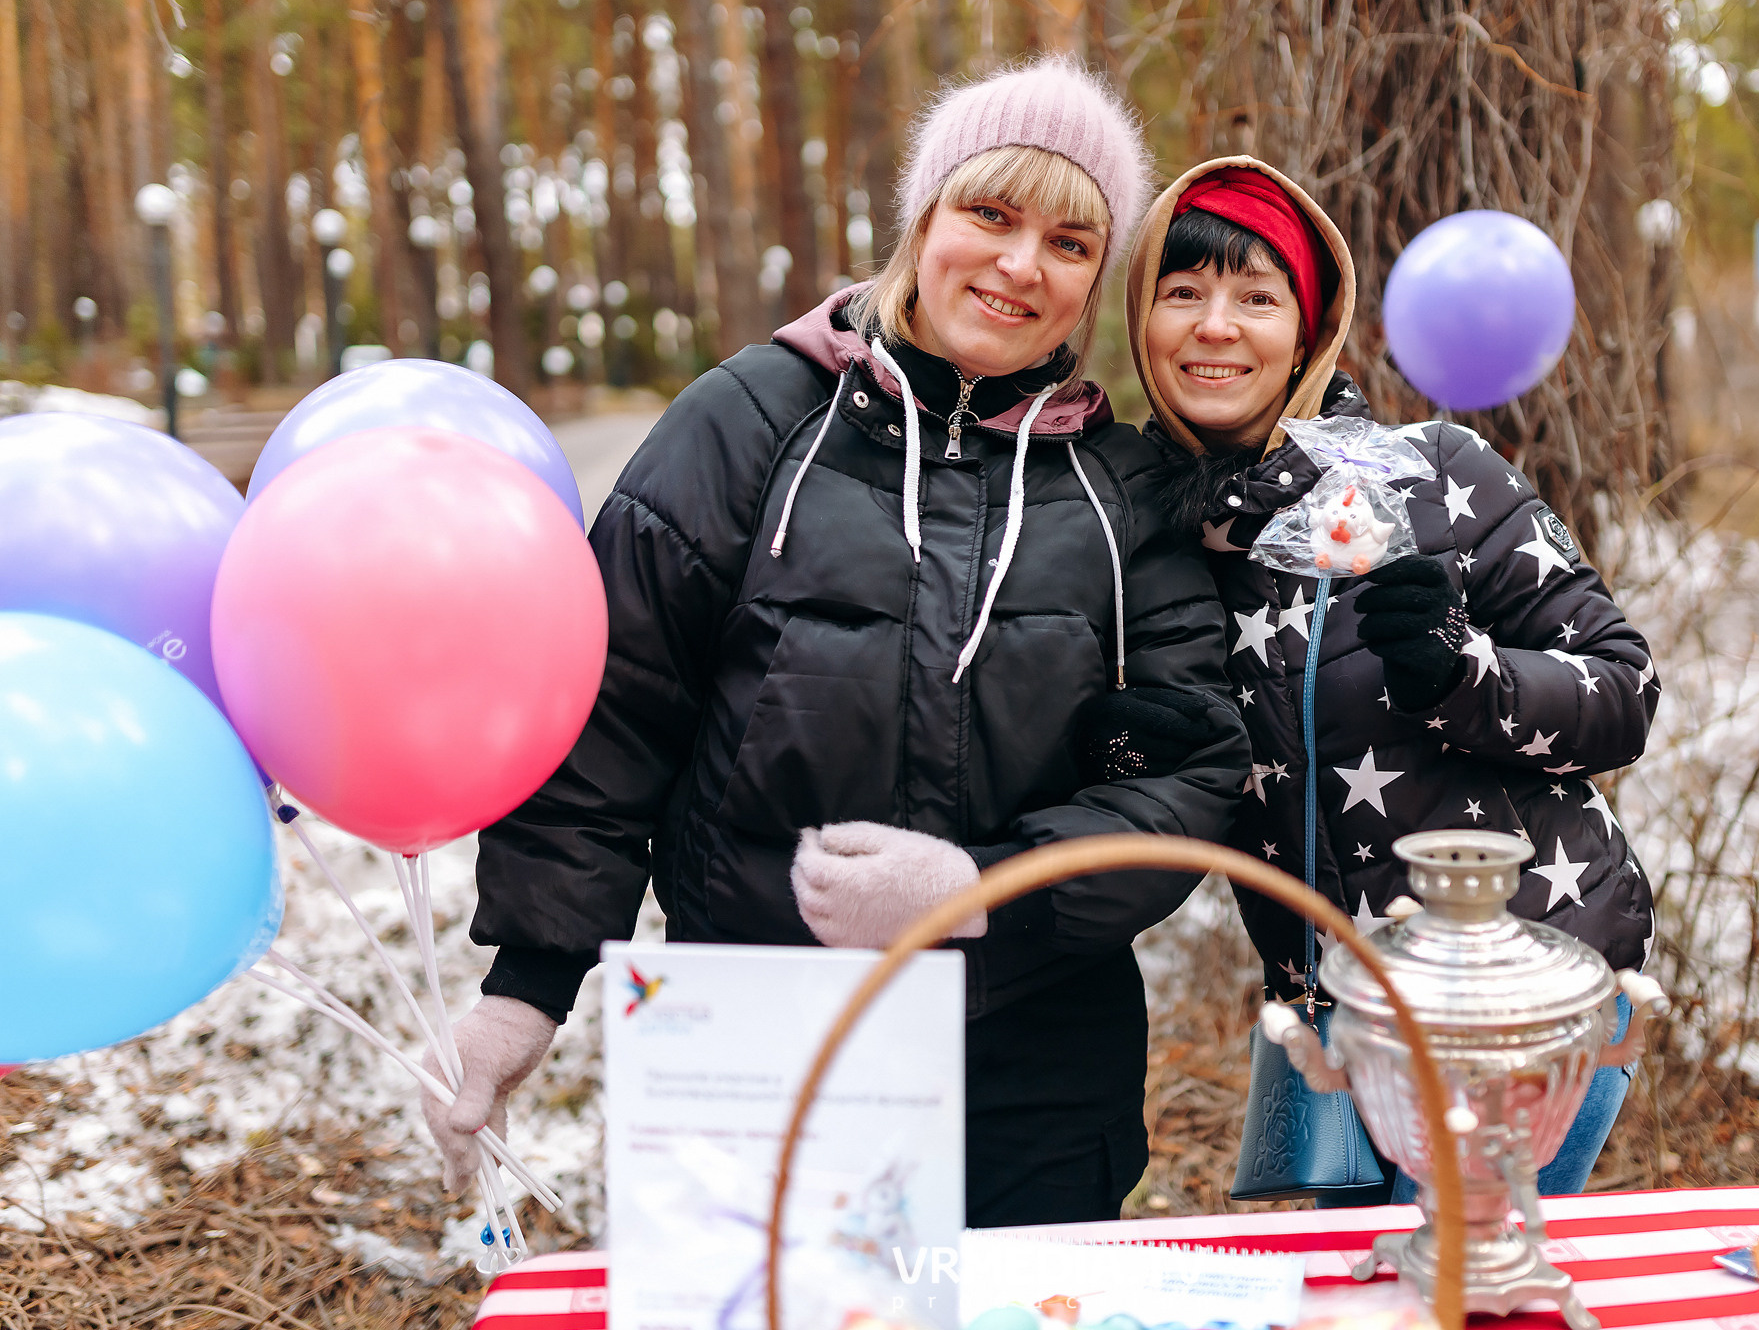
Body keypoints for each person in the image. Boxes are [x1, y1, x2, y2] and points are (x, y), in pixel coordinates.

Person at [422, 59, 1251, 1228]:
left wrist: (983, 892)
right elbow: (612, 706)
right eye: (992, 214)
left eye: (1070, 242)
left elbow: (1196, 773)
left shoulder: (1124, 493)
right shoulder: (753, 420)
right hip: (762, 1045)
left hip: (1036, 1066)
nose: (1022, 265)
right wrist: (528, 985)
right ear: (924, 219)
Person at [1124, 156, 1660, 1202]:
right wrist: (1122, 747)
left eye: (1256, 295)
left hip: (1523, 996)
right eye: (1181, 292)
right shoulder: (1138, 535)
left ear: (1309, 328)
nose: (1215, 325)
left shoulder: (1435, 475)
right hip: (1339, 1016)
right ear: (1141, 318)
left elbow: (1624, 693)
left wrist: (1466, 675)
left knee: (1463, 1285)